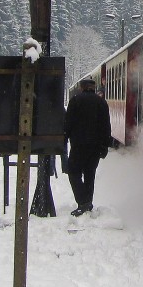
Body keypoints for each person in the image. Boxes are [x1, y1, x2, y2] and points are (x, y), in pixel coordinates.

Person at [63, 78, 111, 216]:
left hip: (78, 144)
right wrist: (105, 146)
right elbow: (106, 126)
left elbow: (68, 123)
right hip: (95, 146)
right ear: (93, 88)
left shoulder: (76, 100)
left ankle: (83, 202)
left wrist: (64, 140)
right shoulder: (101, 102)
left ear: (81, 88)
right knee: (90, 174)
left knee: (73, 172)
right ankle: (87, 202)